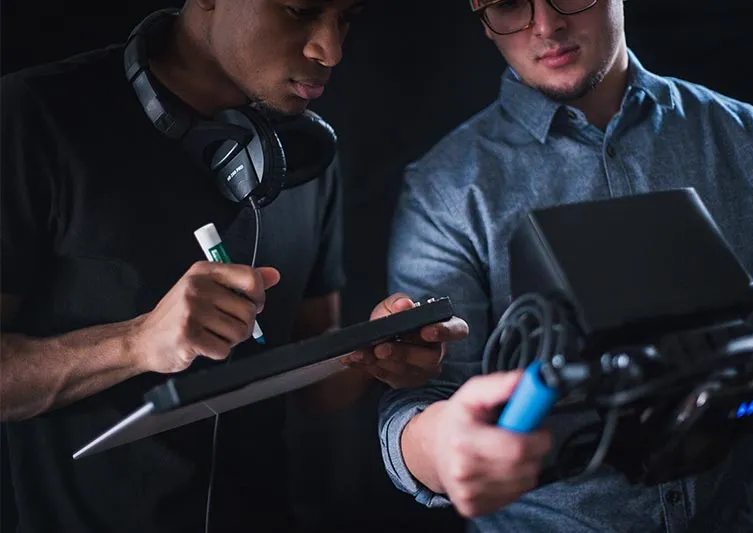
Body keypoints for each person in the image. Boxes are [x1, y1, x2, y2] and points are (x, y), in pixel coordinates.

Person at [0, 1, 468, 532]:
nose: (330, 50)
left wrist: (379, 350)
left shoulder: (303, 153)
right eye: (299, 10)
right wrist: (135, 343)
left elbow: (315, 386)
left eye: (346, 19)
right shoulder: (33, 115)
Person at [377, 0, 753, 532]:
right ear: (479, 17)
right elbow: (422, 401)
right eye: (510, 4)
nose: (547, 26)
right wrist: (438, 448)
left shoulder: (749, 142)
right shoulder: (443, 190)